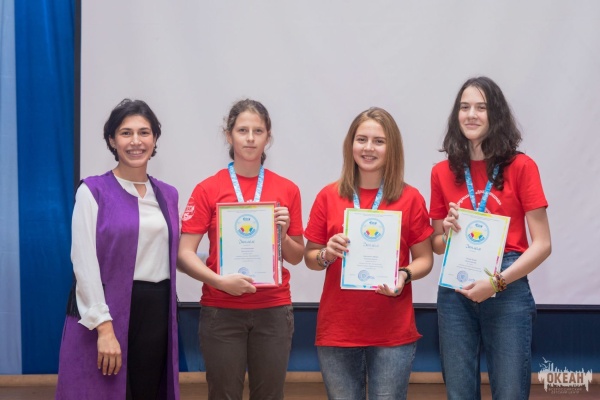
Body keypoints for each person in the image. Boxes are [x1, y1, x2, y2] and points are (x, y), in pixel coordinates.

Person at [430, 76, 552, 400]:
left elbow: (543, 244)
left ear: (495, 114)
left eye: (481, 107)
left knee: (510, 391)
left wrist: (496, 282)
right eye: (464, 107)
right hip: (455, 287)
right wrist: (447, 231)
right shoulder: (441, 172)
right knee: (459, 392)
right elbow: (437, 245)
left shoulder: (522, 166)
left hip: (507, 282)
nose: (471, 114)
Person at [177, 99, 304, 400]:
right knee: (223, 395)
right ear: (228, 135)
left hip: (273, 310)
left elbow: (297, 256)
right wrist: (220, 282)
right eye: (242, 130)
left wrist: (283, 234)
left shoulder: (287, 189)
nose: (250, 138)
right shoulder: (207, 188)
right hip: (222, 310)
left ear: (268, 137)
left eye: (258, 131)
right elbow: (183, 255)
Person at [304, 107, 433, 400]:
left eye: (379, 141)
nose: (368, 148)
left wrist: (405, 274)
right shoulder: (328, 196)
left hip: (392, 331)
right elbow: (310, 258)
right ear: (350, 144)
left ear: (392, 148)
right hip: (338, 330)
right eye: (361, 139)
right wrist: (327, 253)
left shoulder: (410, 198)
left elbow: (425, 258)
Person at [55, 99, 180, 400]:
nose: (136, 141)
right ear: (112, 140)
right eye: (126, 133)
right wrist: (104, 327)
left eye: (144, 132)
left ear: (155, 139)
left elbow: (168, 252)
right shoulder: (93, 191)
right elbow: (83, 262)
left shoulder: (168, 194)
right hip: (106, 308)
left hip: (156, 310)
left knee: (148, 391)